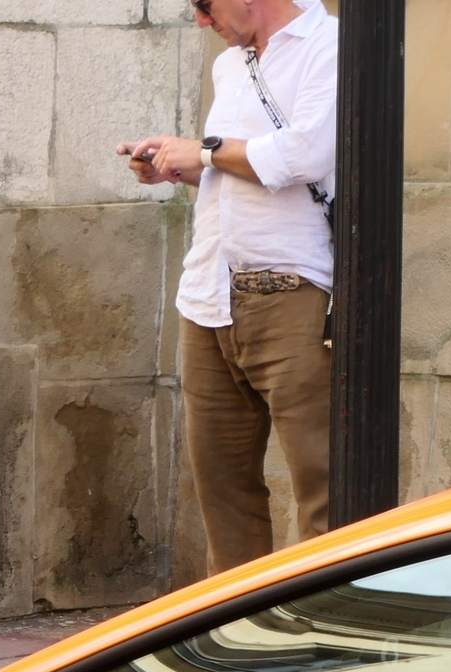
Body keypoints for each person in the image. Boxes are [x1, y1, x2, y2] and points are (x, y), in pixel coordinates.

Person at [122, 0, 337, 575]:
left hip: (291, 290)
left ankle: (325, 633)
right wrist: (177, 164)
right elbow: (233, 168)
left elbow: (308, 155)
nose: (199, 19)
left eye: (202, 3)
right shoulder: (231, 64)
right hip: (209, 294)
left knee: (324, 487)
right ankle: (237, 634)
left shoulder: (331, 46)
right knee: (222, 490)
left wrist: (208, 151)